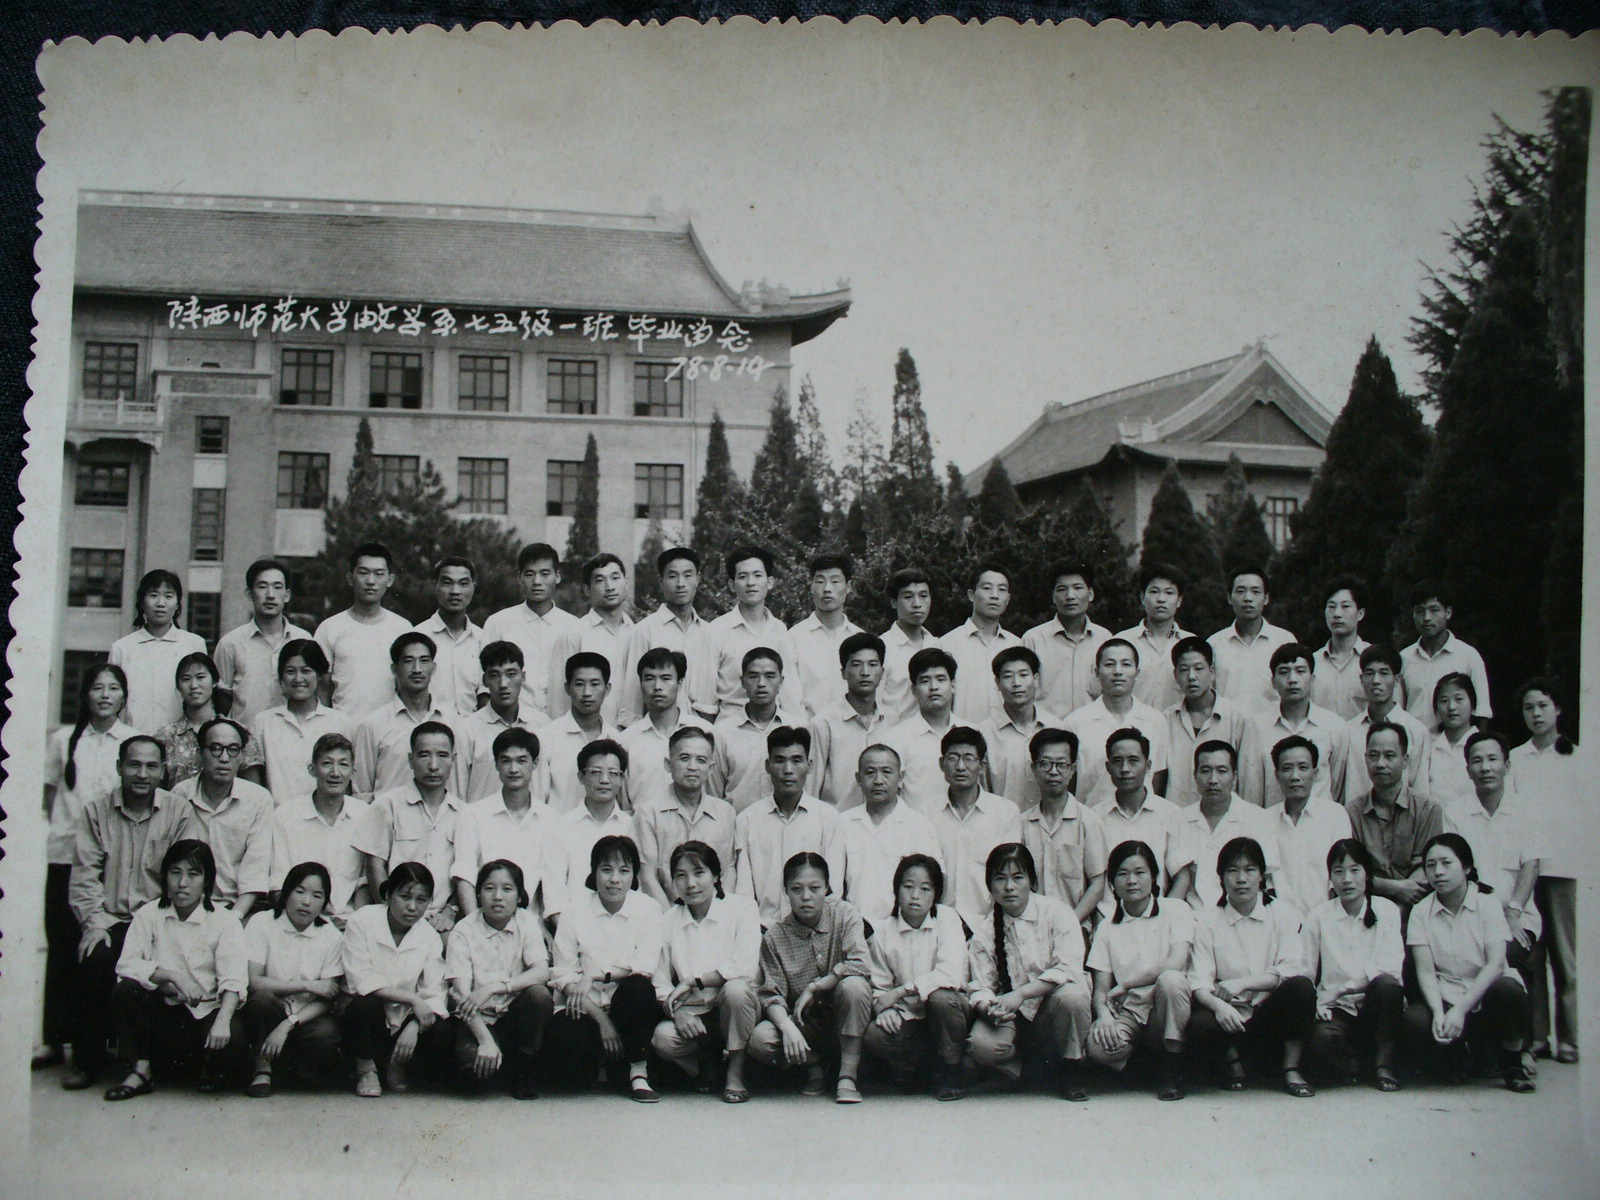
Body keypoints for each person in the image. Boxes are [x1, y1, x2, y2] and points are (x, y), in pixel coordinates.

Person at [65, 736, 199, 1090]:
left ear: (163, 770)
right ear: (119, 767)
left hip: (157, 921)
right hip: (110, 919)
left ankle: (146, 1061)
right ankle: (86, 1060)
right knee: (95, 957)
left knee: (154, 976)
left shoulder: (179, 812)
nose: (142, 774)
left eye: (151, 766)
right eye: (134, 765)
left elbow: (183, 874)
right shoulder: (96, 812)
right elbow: (85, 876)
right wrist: (94, 924)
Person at [38, 664, 136, 1070]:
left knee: (98, 948)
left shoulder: (131, 741)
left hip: (111, 859)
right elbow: (50, 797)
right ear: (85, 695)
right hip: (65, 857)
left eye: (113, 688)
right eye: (97, 687)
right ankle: (54, 1040)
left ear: (123, 696)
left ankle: (97, 1042)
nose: (105, 695)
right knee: (62, 946)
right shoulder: (64, 740)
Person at [104, 840, 247, 1100]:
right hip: (165, 1013)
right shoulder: (148, 914)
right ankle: (142, 1070)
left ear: (206, 880)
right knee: (125, 991)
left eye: (193, 874)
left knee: (233, 1037)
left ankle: (207, 1066)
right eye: (175, 872)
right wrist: (172, 976)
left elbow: (234, 979)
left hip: (206, 1013)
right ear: (165, 876)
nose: (182, 883)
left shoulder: (225, 921)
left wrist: (222, 1022)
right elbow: (126, 965)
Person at [1404, 833, 1534, 1092]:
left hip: (1485, 995)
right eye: (1431, 865)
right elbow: (1425, 971)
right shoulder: (1420, 912)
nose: (1438, 872)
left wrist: (1461, 1010)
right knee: (1414, 1021)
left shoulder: (1488, 904)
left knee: (1509, 991)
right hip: (1446, 995)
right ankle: (1454, 1054)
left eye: (1446, 863)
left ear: (1466, 867)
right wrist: (1439, 1013)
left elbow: (1496, 964)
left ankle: (1512, 1063)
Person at [1187, 837, 1317, 1097]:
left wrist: (1243, 983)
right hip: (1230, 1017)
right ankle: (1233, 1062)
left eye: (1249, 870)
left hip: (1270, 1015)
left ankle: (1291, 1069)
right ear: (1221, 878)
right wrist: (1220, 1007)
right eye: (1232, 871)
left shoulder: (1284, 914)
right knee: (1200, 1021)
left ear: (1262, 876)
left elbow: (1291, 969)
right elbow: (1199, 982)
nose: (1241, 879)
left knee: (1301, 987)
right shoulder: (1207, 920)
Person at [966, 843, 1094, 1100]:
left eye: (1018, 877)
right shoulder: (985, 931)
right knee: (981, 1046)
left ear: (1032, 881)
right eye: (1000, 879)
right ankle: (1025, 1070)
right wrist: (988, 1007)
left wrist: (1021, 994)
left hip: (1052, 1008)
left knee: (1072, 995)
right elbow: (981, 984)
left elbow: (1068, 967)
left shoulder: (1057, 913)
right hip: (1013, 1015)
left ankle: (1072, 1067)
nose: (1009, 887)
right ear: (990, 885)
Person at [546, 836, 666, 1101]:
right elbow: (563, 974)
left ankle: (638, 1072)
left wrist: (595, 975)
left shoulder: (648, 908)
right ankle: (600, 1066)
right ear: (594, 872)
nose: (614, 880)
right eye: (606, 870)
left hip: (627, 1006)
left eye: (624, 871)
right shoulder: (574, 910)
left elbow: (644, 966)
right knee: (564, 1044)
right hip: (585, 1006)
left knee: (639, 987)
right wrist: (603, 1021)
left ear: (634, 874)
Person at [749, 852, 873, 1103]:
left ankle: (847, 1076)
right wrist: (787, 1028)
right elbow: (771, 995)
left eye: (814, 888)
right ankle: (814, 1065)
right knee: (760, 1040)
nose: (806, 897)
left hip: (846, 1018)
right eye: (796, 889)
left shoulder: (846, 915)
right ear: (786, 891)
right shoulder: (775, 937)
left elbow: (861, 963)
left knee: (854, 986)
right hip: (805, 1024)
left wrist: (817, 986)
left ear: (827, 887)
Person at [649, 841, 762, 1103]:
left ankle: (735, 1074)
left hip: (735, 1009)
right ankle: (706, 1066)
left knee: (735, 990)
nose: (690, 884)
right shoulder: (668, 920)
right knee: (663, 1039)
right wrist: (677, 1013)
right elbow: (659, 978)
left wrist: (694, 981)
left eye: (699, 873)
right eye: (681, 875)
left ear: (716, 876)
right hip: (694, 1013)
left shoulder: (742, 908)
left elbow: (744, 968)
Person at [1085, 840, 1194, 1100]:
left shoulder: (1176, 910)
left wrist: (1126, 984)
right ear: (1112, 883)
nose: (1131, 881)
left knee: (1171, 980)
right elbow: (1101, 989)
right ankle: (1141, 1066)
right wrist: (1104, 1016)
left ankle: (1171, 1068)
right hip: (1129, 1011)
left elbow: (1175, 962)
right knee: (1098, 1046)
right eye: (1122, 874)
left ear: (1153, 876)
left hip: (1164, 1008)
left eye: (1139, 872)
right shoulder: (1106, 928)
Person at [1508, 677, 1579, 1064]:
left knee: (1566, 955)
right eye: (1528, 707)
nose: (1536, 714)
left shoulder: (1577, 757)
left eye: (1543, 706)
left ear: (1558, 709)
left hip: (1565, 867)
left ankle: (1570, 1038)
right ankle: (1538, 1037)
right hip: (1527, 868)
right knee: (1532, 955)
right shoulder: (1515, 759)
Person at [863, 855, 971, 1100]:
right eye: (908, 886)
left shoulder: (947, 918)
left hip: (949, 1011)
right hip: (910, 1015)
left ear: (936, 894)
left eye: (925, 889)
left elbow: (950, 973)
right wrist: (885, 1009)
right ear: (896, 890)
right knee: (875, 1036)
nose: (915, 896)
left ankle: (953, 1069)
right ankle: (921, 1068)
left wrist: (902, 991)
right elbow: (880, 984)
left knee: (940, 997)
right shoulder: (883, 931)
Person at [339, 861, 451, 1098]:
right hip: (367, 1017)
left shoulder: (429, 936)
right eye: (405, 897)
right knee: (364, 1005)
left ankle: (396, 1063)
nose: (412, 907)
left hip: (403, 1018)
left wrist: (414, 1026)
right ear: (389, 894)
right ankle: (366, 1069)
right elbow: (362, 980)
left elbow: (435, 991)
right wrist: (413, 999)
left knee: (441, 1027)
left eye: (421, 900)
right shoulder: (362, 920)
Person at [445, 860, 555, 1099]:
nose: (497, 897)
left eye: (507, 889)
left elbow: (541, 972)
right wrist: (485, 1040)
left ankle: (523, 1068)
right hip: (477, 1020)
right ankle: (495, 1058)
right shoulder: (463, 930)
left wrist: (494, 988)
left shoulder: (526, 921)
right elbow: (461, 995)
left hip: (514, 1017)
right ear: (478, 894)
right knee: (475, 1080)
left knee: (539, 995)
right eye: (489, 888)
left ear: (519, 896)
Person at [1303, 839, 1405, 1092]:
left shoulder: (1386, 910)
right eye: (1338, 871)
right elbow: (1305, 969)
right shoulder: (1318, 916)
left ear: (1367, 874)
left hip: (1376, 1005)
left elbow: (1389, 968)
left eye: (1354, 870)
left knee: (1387, 985)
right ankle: (1353, 1062)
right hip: (1337, 1009)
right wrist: (1315, 1002)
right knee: (1321, 1039)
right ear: (1330, 877)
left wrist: (1344, 988)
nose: (1347, 879)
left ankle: (1383, 1064)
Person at [239, 861, 345, 1098]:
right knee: (262, 999)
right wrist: (307, 985)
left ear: (325, 903)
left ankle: (296, 1072)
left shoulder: (331, 936)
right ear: (286, 894)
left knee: (326, 1033)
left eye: (317, 896)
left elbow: (328, 996)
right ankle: (262, 1067)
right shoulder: (262, 923)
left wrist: (288, 1024)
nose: (306, 902)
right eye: (300, 891)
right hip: (270, 1011)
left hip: (305, 1018)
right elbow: (253, 981)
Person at [353, 722, 467, 931]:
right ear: (410, 759)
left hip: (443, 921)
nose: (433, 765)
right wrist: (392, 914)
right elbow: (375, 866)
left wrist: (451, 911)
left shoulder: (465, 814)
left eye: (442, 755)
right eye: (424, 755)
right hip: (395, 918)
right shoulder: (387, 805)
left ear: (453, 759)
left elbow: (466, 872)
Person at [732, 726, 844, 927]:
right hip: (763, 929)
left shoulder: (828, 818)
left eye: (796, 760)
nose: (788, 770)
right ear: (767, 766)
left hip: (813, 929)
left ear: (809, 765)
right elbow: (743, 891)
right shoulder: (747, 820)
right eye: (779, 760)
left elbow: (833, 888)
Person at [1446, 731, 1542, 963]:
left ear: (1507, 766)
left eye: (1492, 759)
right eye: (1477, 761)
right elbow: (1454, 872)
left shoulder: (1527, 810)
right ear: (1468, 770)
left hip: (1517, 917)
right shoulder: (1454, 813)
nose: (1485, 768)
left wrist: (1513, 911)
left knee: (1506, 954)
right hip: (1469, 917)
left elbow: (1531, 865)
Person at [169, 717, 275, 915]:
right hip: (188, 906)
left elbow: (256, 870)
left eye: (233, 749)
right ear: (200, 753)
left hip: (240, 907)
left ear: (242, 755)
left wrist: (233, 919)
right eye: (216, 749)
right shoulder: (180, 795)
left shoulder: (259, 800)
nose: (224, 758)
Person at [451, 728, 559, 922]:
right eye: (506, 761)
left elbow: (553, 883)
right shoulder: (473, 815)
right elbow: (464, 877)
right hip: (482, 920)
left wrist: (541, 926)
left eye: (521, 761)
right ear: (496, 764)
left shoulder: (551, 819)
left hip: (531, 924)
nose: (513, 769)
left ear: (535, 763)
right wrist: (476, 927)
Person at [353, 632, 470, 799]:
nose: (417, 669)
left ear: (434, 667)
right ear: (394, 669)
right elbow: (362, 793)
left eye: (424, 660)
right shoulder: (372, 725)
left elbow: (460, 785)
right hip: (390, 815)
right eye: (408, 661)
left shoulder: (454, 723)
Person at [1344, 722, 1445, 913]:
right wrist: (1395, 888)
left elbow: (1426, 868)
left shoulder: (1428, 809)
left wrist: (1397, 913)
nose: (1380, 764)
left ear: (1405, 760)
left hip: (1417, 910)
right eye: (1373, 756)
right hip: (1366, 911)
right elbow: (1351, 872)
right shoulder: (1351, 812)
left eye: (1389, 756)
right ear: (1365, 759)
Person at [1092, 730, 1195, 917]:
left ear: (1148, 766)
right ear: (1108, 767)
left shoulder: (1171, 814)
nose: (1125, 769)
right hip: (1108, 918)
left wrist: (1163, 917)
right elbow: (1092, 880)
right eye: (1117, 761)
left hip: (1157, 917)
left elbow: (1182, 878)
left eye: (1133, 760)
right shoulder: (1095, 817)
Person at [270, 732, 370, 923]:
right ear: (312, 769)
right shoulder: (285, 816)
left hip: (349, 922)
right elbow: (278, 887)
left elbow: (365, 882)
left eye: (343, 764)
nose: (335, 773)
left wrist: (356, 924)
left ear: (353, 772)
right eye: (327, 763)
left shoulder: (365, 815)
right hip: (299, 921)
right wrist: (316, 924)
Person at [838, 745, 942, 927]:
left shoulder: (919, 825)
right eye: (870, 772)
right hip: (853, 929)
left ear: (900, 778)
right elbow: (833, 887)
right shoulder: (843, 823)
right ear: (858, 778)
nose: (878, 780)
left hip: (903, 930)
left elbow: (933, 883)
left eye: (886, 772)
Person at [931, 727, 1023, 928]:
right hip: (938, 925)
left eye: (969, 758)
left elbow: (1009, 874)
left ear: (982, 766)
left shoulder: (1005, 813)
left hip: (989, 924)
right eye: (953, 758)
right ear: (941, 764)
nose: (960, 766)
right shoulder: (926, 814)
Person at [633, 726, 737, 905]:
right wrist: (671, 917)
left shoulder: (725, 812)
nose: (692, 767)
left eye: (701, 760)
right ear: (668, 764)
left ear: (710, 768)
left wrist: (717, 913)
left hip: (716, 913)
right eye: (684, 758)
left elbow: (727, 873)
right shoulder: (648, 813)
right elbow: (648, 877)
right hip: (665, 913)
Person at [1172, 741, 1279, 910]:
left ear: (1234, 777)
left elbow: (1266, 884)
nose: (1213, 780)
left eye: (1222, 771)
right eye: (1205, 771)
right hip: (1193, 918)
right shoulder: (1179, 820)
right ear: (1195, 776)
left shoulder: (1258, 819)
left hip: (1240, 916)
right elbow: (1180, 883)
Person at [481, 542, 583, 719]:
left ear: (557, 576)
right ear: (519, 578)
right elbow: (484, 686)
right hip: (512, 723)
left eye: (545, 574)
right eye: (529, 574)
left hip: (561, 723)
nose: (537, 582)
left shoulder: (574, 627)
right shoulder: (498, 623)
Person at [1018, 729, 1107, 930]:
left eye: (1061, 765)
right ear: (1034, 768)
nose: (1053, 772)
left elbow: (1098, 884)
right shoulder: (1022, 824)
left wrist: (1068, 924)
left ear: (1072, 769)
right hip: (1031, 929)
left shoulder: (1088, 821)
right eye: (1045, 764)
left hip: (1077, 927)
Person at [616, 546, 716, 725]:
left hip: (700, 732)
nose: (680, 583)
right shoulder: (644, 631)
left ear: (698, 579)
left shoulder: (710, 633)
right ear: (661, 581)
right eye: (672, 576)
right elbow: (632, 698)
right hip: (656, 731)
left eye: (688, 575)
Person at [312, 543, 414, 719]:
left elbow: (408, 686)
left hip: (389, 727)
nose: (371, 581)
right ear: (350, 577)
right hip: (342, 728)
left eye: (379, 574)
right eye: (363, 572)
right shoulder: (330, 628)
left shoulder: (403, 628)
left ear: (390, 580)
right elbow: (322, 687)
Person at [243, 640, 350, 806]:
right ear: (281, 677)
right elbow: (253, 785)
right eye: (290, 671)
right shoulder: (264, 722)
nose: (298, 679)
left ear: (319, 675)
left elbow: (347, 782)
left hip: (324, 816)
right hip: (276, 817)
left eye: (306, 671)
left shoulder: (340, 722)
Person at [1064, 638, 1169, 806]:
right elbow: (1068, 783)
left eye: (1126, 664)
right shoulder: (1075, 723)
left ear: (1137, 672)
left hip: (1143, 817)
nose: (1117, 672)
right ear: (1097, 672)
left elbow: (1158, 778)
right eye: (1109, 664)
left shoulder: (1156, 720)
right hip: (1092, 817)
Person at [213, 558, 312, 728]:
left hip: (292, 735)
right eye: (262, 586)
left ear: (287, 595)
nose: (270, 595)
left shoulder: (304, 640)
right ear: (250, 594)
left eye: (277, 587)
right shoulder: (230, 643)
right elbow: (220, 700)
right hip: (245, 737)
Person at [1164, 636, 1262, 807]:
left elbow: (1250, 780)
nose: (1191, 677)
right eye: (1184, 670)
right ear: (1175, 675)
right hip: (1177, 817)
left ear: (1212, 671)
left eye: (1199, 668)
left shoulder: (1238, 718)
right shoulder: (1165, 719)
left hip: (1227, 818)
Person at [544, 739, 634, 922]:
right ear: (581, 777)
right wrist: (569, 933)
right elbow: (554, 894)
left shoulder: (632, 827)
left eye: (613, 774)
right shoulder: (561, 826)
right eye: (595, 772)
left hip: (624, 927)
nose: (604, 780)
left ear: (621, 779)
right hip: (572, 928)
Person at [110, 568, 207, 733]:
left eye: (168, 596)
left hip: (182, 739)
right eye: (153, 595)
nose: (161, 603)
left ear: (178, 604)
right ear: (142, 602)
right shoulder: (122, 647)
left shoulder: (194, 644)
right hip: (133, 738)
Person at [1266, 735, 1353, 916]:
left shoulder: (1335, 815)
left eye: (1303, 767)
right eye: (1287, 768)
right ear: (1277, 775)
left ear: (1315, 773)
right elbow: (1267, 881)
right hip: (1279, 922)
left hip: (1326, 920)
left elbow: (1341, 873)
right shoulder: (1265, 819)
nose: (1295, 776)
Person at [1252, 644, 1347, 808]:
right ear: (1273, 681)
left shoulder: (1334, 726)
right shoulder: (1257, 727)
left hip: (1320, 819)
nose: (1292, 679)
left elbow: (1337, 785)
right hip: (1272, 819)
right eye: (1284, 672)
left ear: (1312, 678)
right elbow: (1254, 785)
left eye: (1300, 671)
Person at [710, 647, 806, 812]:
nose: (761, 684)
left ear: (781, 681)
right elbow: (713, 793)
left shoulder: (798, 728)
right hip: (736, 823)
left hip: (789, 823)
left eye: (770, 676)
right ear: (742, 681)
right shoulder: (722, 732)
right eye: (753, 676)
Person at [706, 545, 797, 718]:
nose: (750, 583)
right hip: (730, 724)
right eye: (743, 576)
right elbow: (706, 700)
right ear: (732, 585)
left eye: (757, 575)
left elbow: (789, 690)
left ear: (770, 582)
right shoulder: (716, 630)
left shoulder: (780, 630)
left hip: (774, 726)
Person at [546, 552, 635, 726]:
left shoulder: (637, 633)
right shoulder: (574, 634)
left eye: (615, 578)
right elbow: (558, 700)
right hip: (586, 735)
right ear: (587, 589)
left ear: (626, 582)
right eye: (600, 580)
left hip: (631, 733)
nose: (609, 587)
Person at [807, 632, 892, 809]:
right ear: (843, 673)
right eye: (856, 665)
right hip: (837, 821)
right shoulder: (823, 724)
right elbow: (810, 787)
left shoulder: (892, 722)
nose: (865, 672)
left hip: (884, 821)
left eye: (872, 664)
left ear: (882, 672)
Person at [1337, 644, 1429, 806]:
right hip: (1356, 818)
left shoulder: (1415, 730)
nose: (1376, 681)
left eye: (1384, 673)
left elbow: (1420, 788)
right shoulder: (1347, 731)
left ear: (1397, 680)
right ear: (1361, 679)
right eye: (1369, 673)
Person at [1021, 561, 1112, 718]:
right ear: (1053, 596)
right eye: (1062, 589)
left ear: (1090, 594)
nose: (1070, 596)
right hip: (1046, 729)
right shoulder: (1033, 639)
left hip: (1092, 727)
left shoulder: (1104, 639)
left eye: (1078, 588)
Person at [977, 646, 1063, 808]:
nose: (1016, 683)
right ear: (997, 683)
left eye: (1023, 675)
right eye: (1008, 676)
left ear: (1036, 679)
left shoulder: (1056, 727)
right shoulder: (984, 733)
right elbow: (982, 790)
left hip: (1047, 821)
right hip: (1002, 821)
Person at [535, 652, 621, 814]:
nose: (587, 692)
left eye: (595, 684)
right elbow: (536, 800)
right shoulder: (546, 738)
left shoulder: (617, 739)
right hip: (559, 828)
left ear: (607, 689)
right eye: (579, 684)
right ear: (567, 688)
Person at [1399, 582, 1492, 731]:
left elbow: (1482, 711)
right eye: (1420, 611)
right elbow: (1398, 710)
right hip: (1413, 741)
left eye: (1434, 610)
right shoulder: (1404, 658)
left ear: (1448, 612)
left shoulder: (1468, 656)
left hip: (1454, 742)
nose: (1426, 618)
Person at [461, 640, 544, 802]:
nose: (503, 684)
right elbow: (457, 791)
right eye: (494, 675)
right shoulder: (466, 731)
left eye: (511, 674)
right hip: (481, 817)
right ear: (484, 680)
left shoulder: (542, 725)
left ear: (523, 677)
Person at [1206, 568, 1296, 715]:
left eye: (1255, 591)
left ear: (1266, 598)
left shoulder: (1284, 641)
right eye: (1240, 591)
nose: (1248, 598)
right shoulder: (1214, 644)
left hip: (1273, 726)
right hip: (1227, 726)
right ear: (1229, 598)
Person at [941, 562, 1022, 724]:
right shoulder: (947, 645)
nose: (994, 595)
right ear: (971, 595)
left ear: (1007, 599)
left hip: (1007, 736)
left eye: (1002, 589)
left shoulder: (1017, 646)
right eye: (987, 588)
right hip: (963, 736)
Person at [882, 646, 961, 811]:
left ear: (953, 685)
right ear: (913, 690)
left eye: (941, 679)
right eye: (925, 681)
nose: (933, 687)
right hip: (914, 826)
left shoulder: (972, 732)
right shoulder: (896, 739)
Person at [618, 647, 697, 811]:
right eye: (649, 678)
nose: (657, 686)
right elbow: (623, 804)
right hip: (641, 824)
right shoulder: (626, 741)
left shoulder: (704, 732)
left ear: (680, 683)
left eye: (666, 678)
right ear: (641, 684)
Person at [789, 553, 864, 719]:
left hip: (854, 729)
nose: (827, 588)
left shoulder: (860, 638)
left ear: (848, 586)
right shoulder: (793, 638)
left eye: (835, 581)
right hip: (807, 729)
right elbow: (789, 699)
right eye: (820, 581)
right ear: (811, 587)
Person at [412, 556, 486, 719]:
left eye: (463, 583)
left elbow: (486, 696)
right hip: (430, 729)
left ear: (473, 587)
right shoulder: (417, 637)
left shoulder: (483, 638)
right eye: (447, 583)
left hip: (473, 729)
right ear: (435, 586)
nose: (455, 591)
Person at [1116, 562, 1193, 714]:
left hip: (1177, 725)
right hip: (1134, 725)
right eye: (1154, 592)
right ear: (1142, 597)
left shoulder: (1190, 644)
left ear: (1179, 600)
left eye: (1169, 593)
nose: (1161, 599)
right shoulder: (1123, 642)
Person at [153, 652, 220, 788]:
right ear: (178, 687)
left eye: (200, 677)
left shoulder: (235, 732)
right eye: (186, 679)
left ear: (214, 681)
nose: (194, 685)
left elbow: (251, 790)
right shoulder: (164, 737)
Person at [880, 568, 935, 725]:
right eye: (908, 597)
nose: (917, 604)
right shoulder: (882, 648)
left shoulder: (938, 646)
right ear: (893, 602)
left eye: (923, 596)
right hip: (892, 734)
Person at [1311, 575, 1370, 721]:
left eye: (1345, 606)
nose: (1337, 614)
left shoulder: (1374, 660)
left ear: (1360, 614)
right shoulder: (1312, 662)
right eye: (1331, 607)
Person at [1418, 673, 1480, 810]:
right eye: (1444, 700)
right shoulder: (1428, 748)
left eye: (1459, 699)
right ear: (1436, 710)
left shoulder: (1484, 747)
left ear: (1473, 705)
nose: (1451, 707)